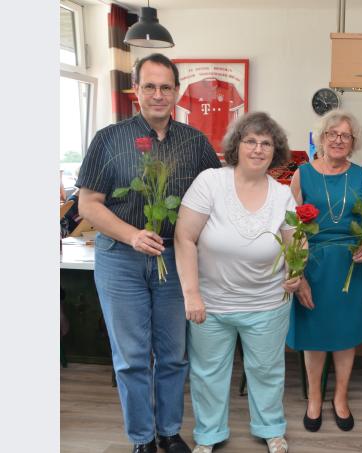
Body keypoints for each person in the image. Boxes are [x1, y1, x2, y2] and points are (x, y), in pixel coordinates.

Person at [76, 53, 221, 453]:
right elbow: (88, 204)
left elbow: (216, 198)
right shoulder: (109, 139)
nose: (158, 95)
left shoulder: (196, 143)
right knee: (132, 358)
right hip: (119, 260)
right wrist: (131, 235)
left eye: (166, 87)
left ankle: (169, 431)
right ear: (135, 90)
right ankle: (142, 439)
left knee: (173, 356)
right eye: (150, 86)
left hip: (175, 261)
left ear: (177, 92)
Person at [174, 112, 299, 453]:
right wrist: (192, 294)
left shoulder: (282, 194)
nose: (258, 149)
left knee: (267, 371)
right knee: (208, 374)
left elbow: (295, 243)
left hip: (267, 303)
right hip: (211, 303)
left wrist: (295, 272)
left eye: (266, 143)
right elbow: (184, 238)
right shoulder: (210, 182)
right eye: (251, 141)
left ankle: (271, 429)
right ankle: (208, 436)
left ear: (276, 151)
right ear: (237, 146)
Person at [286, 109, 362, 432]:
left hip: (350, 267)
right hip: (314, 267)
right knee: (314, 336)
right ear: (321, 138)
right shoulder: (301, 174)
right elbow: (291, 228)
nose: (338, 140)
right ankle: (314, 399)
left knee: (345, 337)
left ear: (353, 143)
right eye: (332, 134)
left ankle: (340, 398)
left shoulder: (361, 175)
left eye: (345, 136)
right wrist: (298, 273)